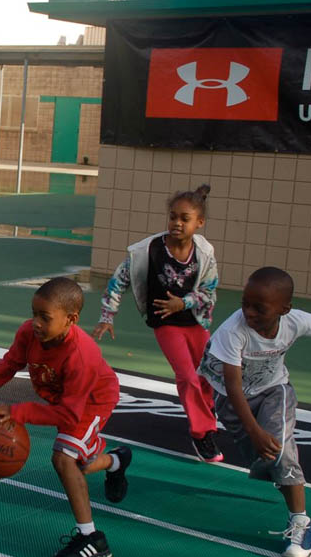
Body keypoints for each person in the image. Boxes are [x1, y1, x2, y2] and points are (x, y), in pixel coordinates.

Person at [0, 278, 130, 557]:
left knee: (64, 459)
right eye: (34, 313)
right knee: (83, 465)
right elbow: (12, 362)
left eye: (45, 317)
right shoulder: (30, 332)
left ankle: (92, 539)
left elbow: (68, 415)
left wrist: (18, 412)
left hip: (92, 402)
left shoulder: (81, 355)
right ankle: (116, 460)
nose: (35, 323)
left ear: (71, 320)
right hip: (65, 402)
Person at [198, 267, 311, 557]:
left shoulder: (296, 322)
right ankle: (280, 479)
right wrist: (255, 433)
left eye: (259, 307)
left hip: (275, 391)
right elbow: (232, 386)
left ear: (285, 309)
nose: (249, 312)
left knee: (281, 452)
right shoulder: (234, 332)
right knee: (268, 459)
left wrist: (262, 434)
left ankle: (300, 522)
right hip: (232, 400)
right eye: (245, 303)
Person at [93, 184, 222, 462]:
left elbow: (210, 291)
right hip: (166, 323)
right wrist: (107, 316)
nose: (177, 223)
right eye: (173, 217)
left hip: (196, 322)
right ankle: (203, 434)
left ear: (199, 223)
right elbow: (119, 280)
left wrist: (183, 302)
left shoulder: (205, 252)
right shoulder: (147, 251)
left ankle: (206, 409)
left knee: (207, 375)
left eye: (184, 219)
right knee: (187, 376)